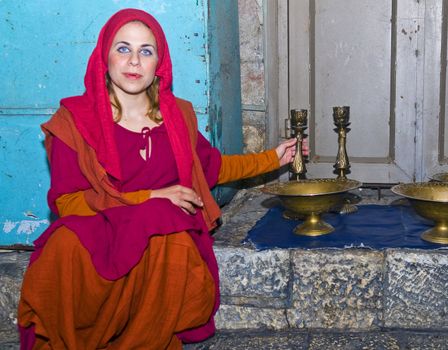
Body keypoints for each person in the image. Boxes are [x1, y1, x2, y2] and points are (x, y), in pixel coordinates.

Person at [18, 8, 304, 349]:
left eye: (146, 51)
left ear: (159, 64)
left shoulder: (177, 115)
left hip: (161, 238)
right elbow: (67, 203)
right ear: (104, 57)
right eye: (123, 49)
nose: (134, 61)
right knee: (67, 243)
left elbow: (211, 169)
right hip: (100, 231)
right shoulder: (74, 119)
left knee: (168, 222)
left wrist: (274, 157)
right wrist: (149, 197)